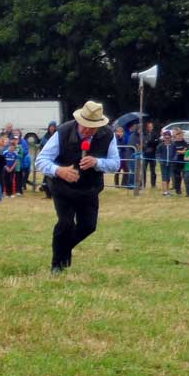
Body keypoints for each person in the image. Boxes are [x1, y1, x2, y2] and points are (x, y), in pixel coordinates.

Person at [33, 100, 120, 273]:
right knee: (65, 223)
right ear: (79, 120)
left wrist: (97, 162)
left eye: (92, 127)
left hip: (89, 189)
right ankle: (57, 264)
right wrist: (58, 170)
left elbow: (115, 164)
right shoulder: (63, 131)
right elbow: (40, 161)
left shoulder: (108, 135)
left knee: (88, 226)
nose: (87, 130)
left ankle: (63, 251)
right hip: (62, 188)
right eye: (84, 125)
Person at [156, 130, 176, 195]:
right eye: (165, 137)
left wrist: (174, 159)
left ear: (170, 137)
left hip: (170, 163)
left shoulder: (173, 145)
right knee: (164, 177)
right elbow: (158, 154)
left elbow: (175, 153)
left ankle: (168, 190)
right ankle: (164, 191)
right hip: (163, 164)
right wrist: (160, 160)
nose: (167, 139)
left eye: (168, 137)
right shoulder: (160, 145)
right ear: (163, 138)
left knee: (168, 177)